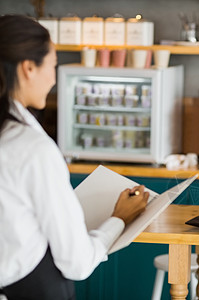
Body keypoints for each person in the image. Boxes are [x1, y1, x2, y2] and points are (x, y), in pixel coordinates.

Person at [0, 15, 150, 300]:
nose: (54, 78)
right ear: (28, 68)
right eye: (53, 65)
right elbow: (77, 262)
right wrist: (118, 219)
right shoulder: (32, 149)